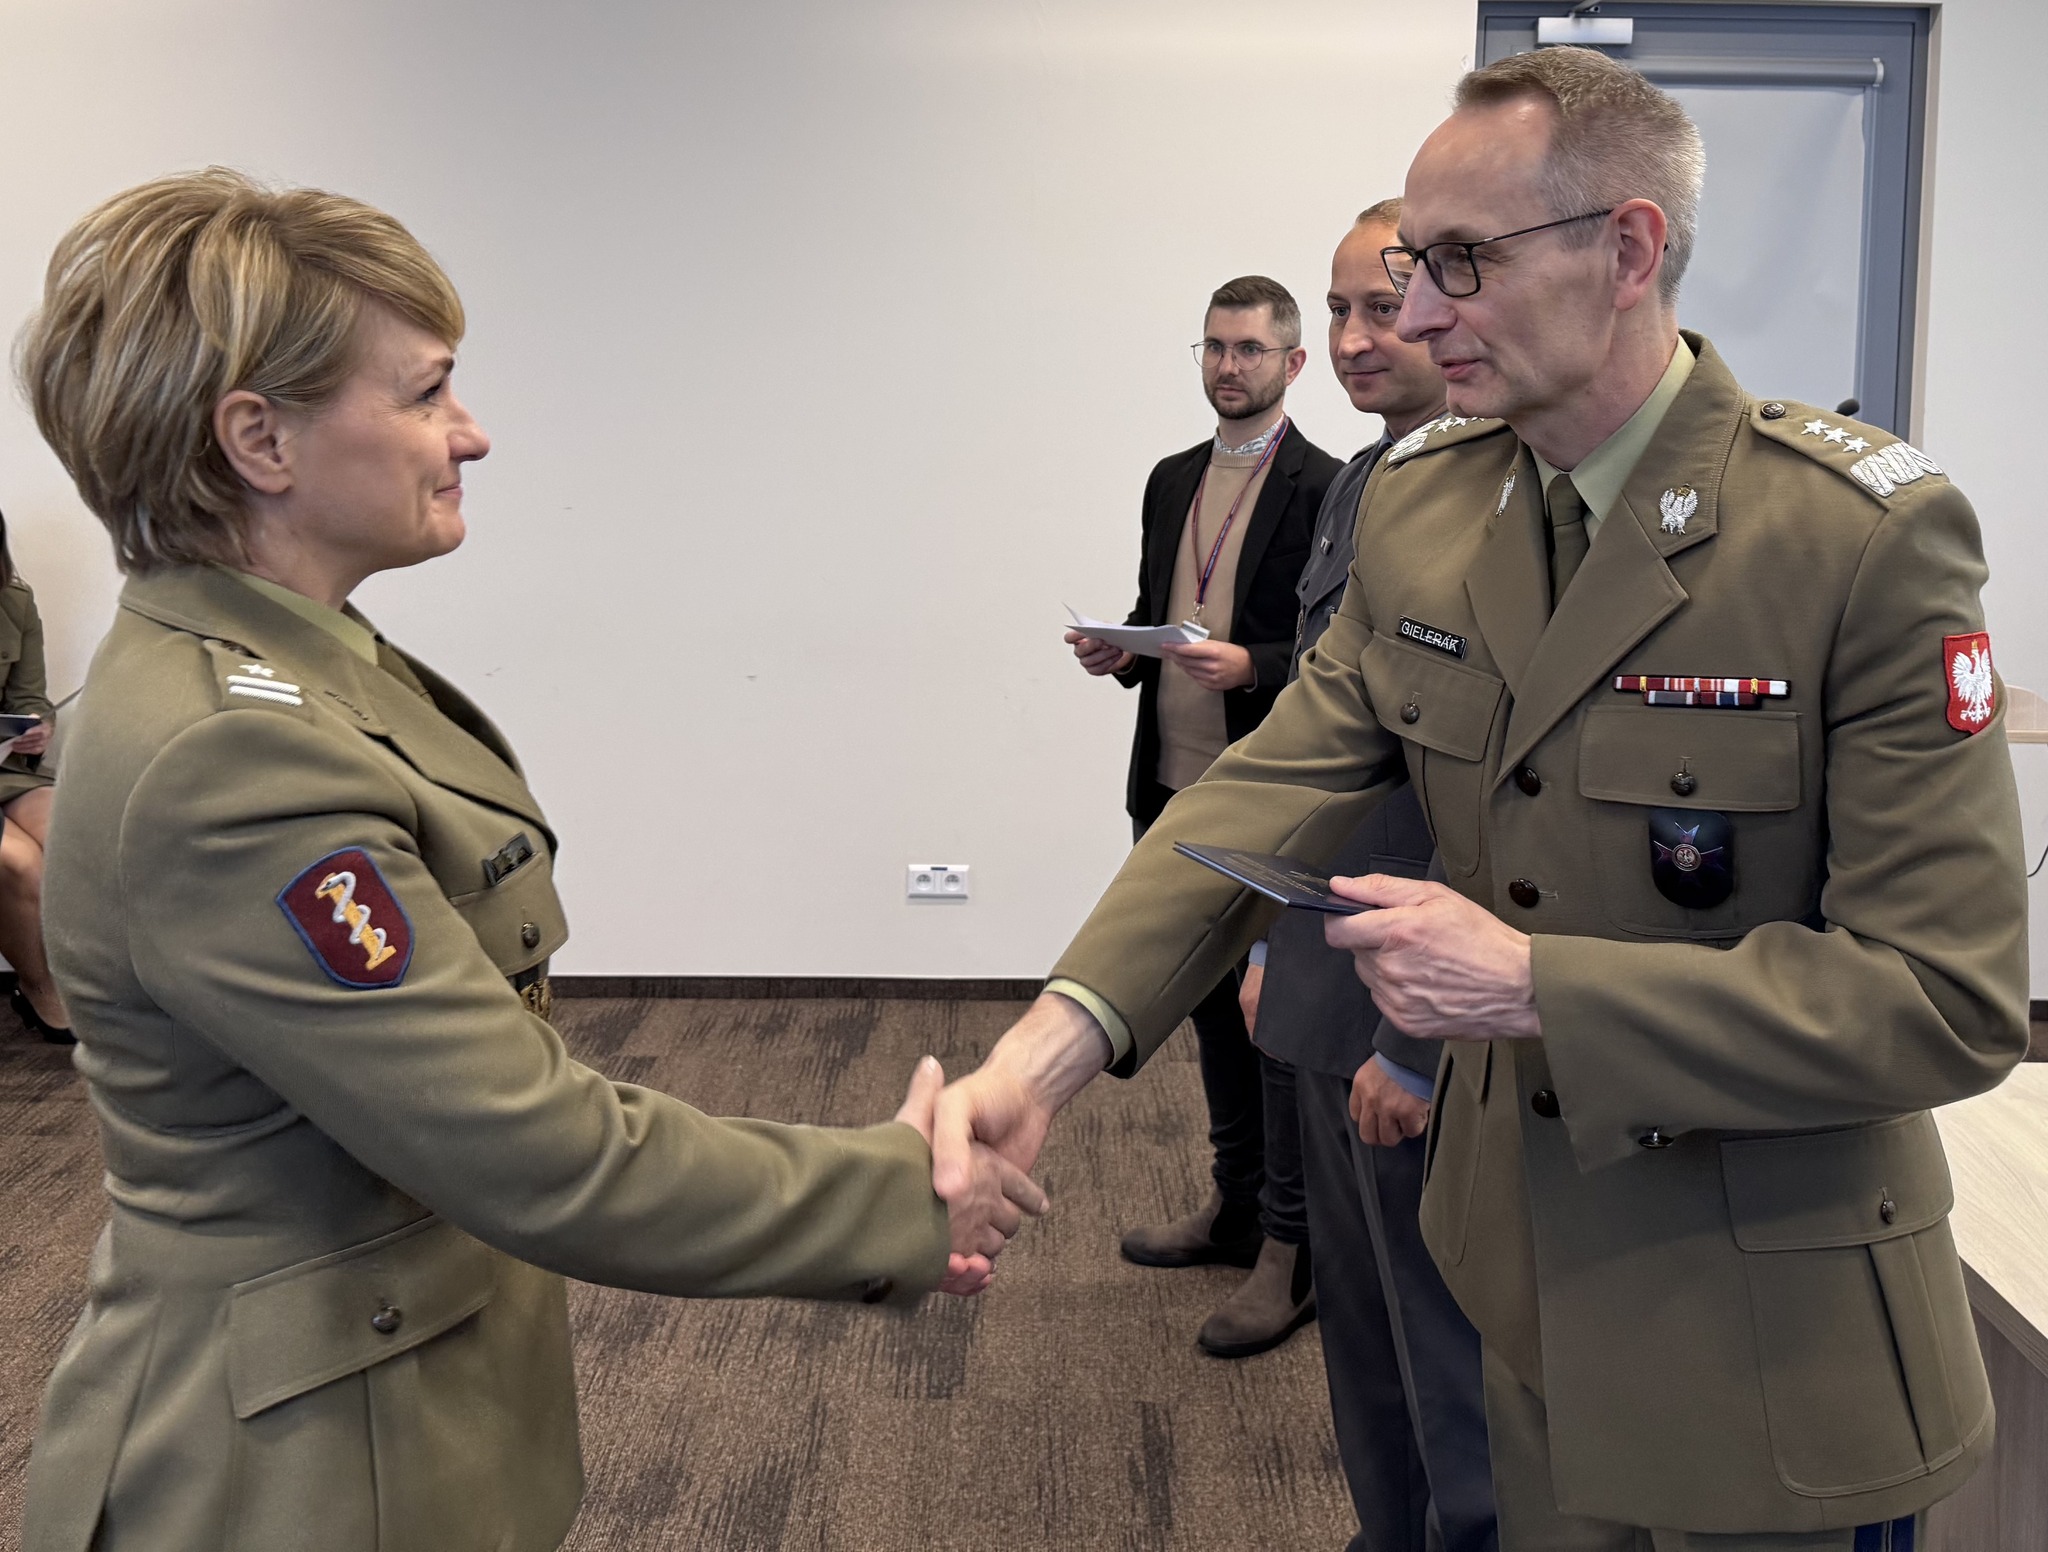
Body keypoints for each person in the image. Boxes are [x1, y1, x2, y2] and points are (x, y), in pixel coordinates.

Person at [941, 46, 2026, 1549]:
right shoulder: (1430, 504)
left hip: (1769, 1343)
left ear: (1628, 250)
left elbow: (1948, 998)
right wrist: (1044, 1058)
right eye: (1406, 267)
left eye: (1458, 262)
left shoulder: (1853, 538)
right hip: (1515, 1293)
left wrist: (1534, 989)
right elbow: (1268, 788)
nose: (1416, 311)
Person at [16, 169, 1043, 1552]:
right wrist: (895, 1195)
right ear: (259, 439)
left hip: (382, 1399)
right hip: (292, 1476)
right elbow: (537, 1150)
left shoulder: (284, 671)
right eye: (426, 392)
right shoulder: (231, 758)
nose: (472, 433)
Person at [1237, 199, 1494, 1552]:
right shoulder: (1364, 481)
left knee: (1445, 1343)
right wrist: (1273, 942)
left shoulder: (1504, 502)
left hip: (1419, 1012)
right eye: (1333, 310)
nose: (1352, 339)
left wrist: (1412, 1041)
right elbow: (1318, 757)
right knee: (1363, 1327)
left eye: (1377, 305)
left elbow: (1478, 804)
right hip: (1328, 975)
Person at [1063, 275, 1340, 1357]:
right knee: (1205, 1005)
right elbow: (1166, 615)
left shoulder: (1327, 485)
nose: (1228, 366)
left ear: (1290, 364)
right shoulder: (1170, 477)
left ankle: (1290, 1247)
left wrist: (1252, 664)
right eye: (1214, 348)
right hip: (1172, 784)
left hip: (1266, 794)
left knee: (1275, 1020)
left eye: (1250, 349)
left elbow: (1331, 654)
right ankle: (1233, 1205)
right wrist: (1118, 648)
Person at [0, 513, 69, 1043]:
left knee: (74, 839)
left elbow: (28, 697)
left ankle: (103, 987)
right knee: (20, 862)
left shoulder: (15, 604)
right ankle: (39, 987)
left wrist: (38, 728)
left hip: (5, 769)